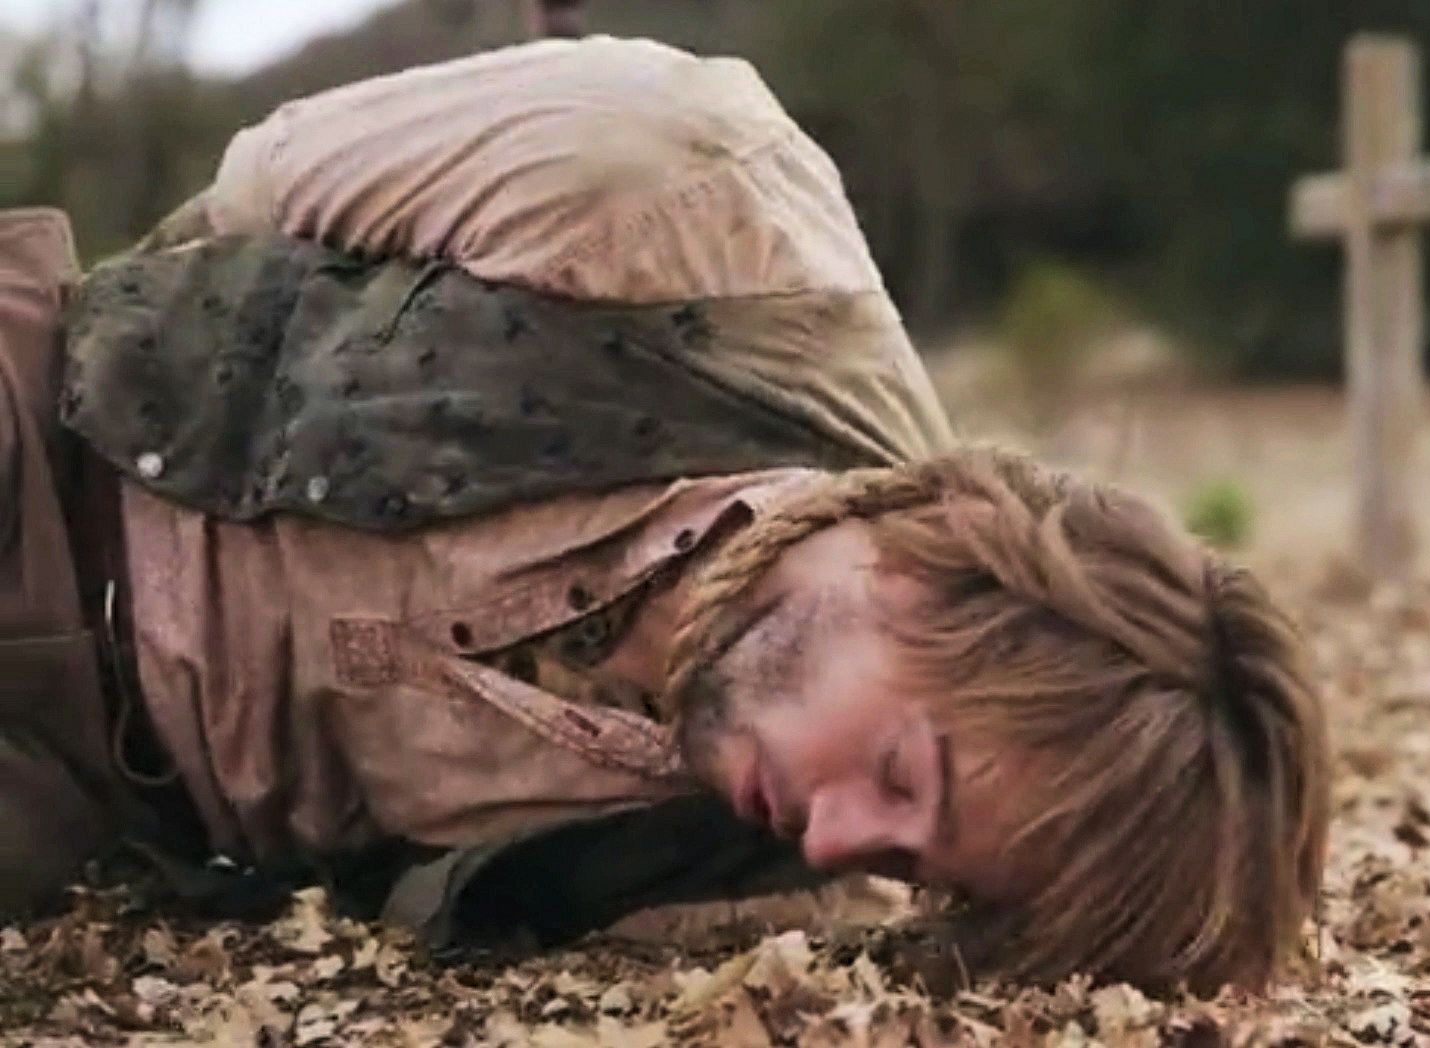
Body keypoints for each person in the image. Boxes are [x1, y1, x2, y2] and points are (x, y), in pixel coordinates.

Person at [0, 37, 1329, 991]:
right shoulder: (691, 203)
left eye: (918, 867)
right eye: (900, 776)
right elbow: (242, 205)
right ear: (945, 568)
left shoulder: (750, 885)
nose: (835, 841)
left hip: (83, 795)